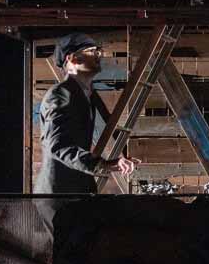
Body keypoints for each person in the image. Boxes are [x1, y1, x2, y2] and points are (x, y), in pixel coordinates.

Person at [35, 33, 138, 237]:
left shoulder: (83, 94)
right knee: (72, 253)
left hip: (73, 193)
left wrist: (106, 164)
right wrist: (100, 164)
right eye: (91, 52)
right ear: (72, 59)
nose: (99, 55)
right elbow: (57, 145)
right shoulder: (61, 95)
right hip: (60, 195)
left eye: (98, 51)